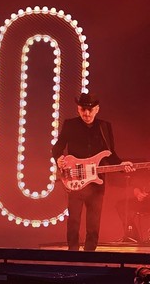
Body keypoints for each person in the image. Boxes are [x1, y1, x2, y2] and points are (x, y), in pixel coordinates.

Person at [52, 92, 134, 251]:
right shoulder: (70, 124)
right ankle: (72, 253)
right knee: (74, 220)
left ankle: (90, 253)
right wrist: (59, 159)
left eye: (90, 110)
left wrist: (122, 166)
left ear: (97, 109)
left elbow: (111, 153)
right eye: (83, 109)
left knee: (94, 221)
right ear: (78, 109)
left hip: (97, 182)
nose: (87, 113)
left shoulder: (105, 127)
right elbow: (57, 147)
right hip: (75, 178)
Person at [115, 173, 150, 242]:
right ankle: (132, 236)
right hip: (145, 201)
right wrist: (137, 192)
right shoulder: (142, 171)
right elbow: (135, 184)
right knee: (121, 205)